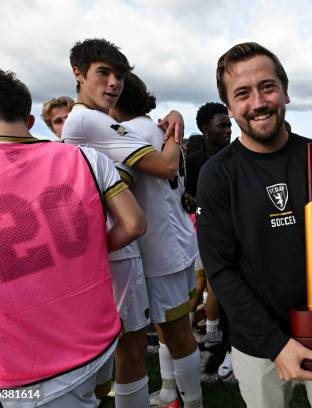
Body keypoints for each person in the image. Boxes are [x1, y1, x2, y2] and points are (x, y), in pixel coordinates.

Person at [0, 67, 145, 406]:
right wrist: (90, 250)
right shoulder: (86, 157)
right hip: (99, 333)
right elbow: (135, 222)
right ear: (29, 119)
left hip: (34, 364)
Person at [197, 42, 312, 408]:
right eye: (242, 93)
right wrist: (275, 344)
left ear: (284, 90)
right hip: (257, 341)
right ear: (230, 105)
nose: (258, 102)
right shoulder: (217, 174)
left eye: (267, 86)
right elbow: (221, 270)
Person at [62, 38, 188, 408]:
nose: (113, 83)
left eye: (118, 75)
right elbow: (165, 167)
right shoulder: (90, 120)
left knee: (116, 348)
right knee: (130, 351)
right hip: (115, 248)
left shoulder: (91, 120)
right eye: (103, 73)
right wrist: (175, 132)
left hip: (105, 247)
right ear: (78, 74)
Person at [109, 72, 202, 408]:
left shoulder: (129, 134)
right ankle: (169, 392)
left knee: (176, 333)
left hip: (159, 251)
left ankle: (192, 402)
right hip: (171, 245)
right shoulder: (162, 129)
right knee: (170, 329)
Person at [185, 101, 233, 380]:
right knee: (213, 289)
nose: (229, 129)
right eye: (222, 125)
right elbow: (187, 201)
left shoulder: (238, 156)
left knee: (230, 292)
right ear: (205, 129)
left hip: (239, 236)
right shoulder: (191, 164)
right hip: (206, 237)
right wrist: (191, 202)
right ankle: (217, 339)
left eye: (229, 124)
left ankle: (230, 348)